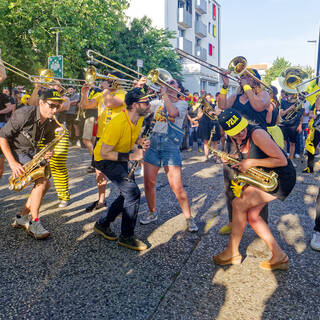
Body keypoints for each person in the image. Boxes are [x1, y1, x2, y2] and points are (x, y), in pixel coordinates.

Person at [213, 109, 296, 270]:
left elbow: (281, 160)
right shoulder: (236, 139)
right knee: (252, 216)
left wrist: (250, 163)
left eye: (242, 128)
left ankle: (232, 252)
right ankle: (279, 256)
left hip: (280, 178)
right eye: (236, 133)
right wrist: (231, 160)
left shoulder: (257, 134)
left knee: (238, 204)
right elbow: (243, 159)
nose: (241, 134)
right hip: (265, 176)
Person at [0, 89, 64, 239]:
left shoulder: (50, 120)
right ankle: (34, 222)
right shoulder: (24, 114)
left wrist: (50, 151)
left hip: (31, 152)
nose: (54, 110)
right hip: (15, 150)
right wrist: (13, 163)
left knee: (45, 185)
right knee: (41, 182)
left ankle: (22, 217)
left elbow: (49, 142)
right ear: (41, 102)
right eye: (51, 106)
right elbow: (2, 137)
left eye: (58, 107)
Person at [93, 88, 152, 251]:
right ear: (135, 105)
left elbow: (132, 138)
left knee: (129, 193)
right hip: (104, 159)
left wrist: (140, 142)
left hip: (120, 154)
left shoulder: (139, 118)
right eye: (145, 103)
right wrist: (132, 157)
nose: (149, 105)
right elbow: (105, 153)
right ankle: (126, 236)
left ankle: (103, 224)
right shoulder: (117, 123)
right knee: (132, 193)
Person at [139, 79, 198, 232]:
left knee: (177, 186)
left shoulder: (182, 103)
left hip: (170, 145)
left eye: (173, 84)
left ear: (178, 88)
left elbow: (173, 113)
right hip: (154, 143)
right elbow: (140, 109)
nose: (168, 85)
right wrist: (138, 90)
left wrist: (164, 95)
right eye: (167, 83)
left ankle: (188, 217)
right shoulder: (157, 102)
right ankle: (152, 212)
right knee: (148, 183)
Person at [217, 69, 270, 235]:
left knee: (258, 187)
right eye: (242, 77)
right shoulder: (236, 97)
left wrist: (248, 88)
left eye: (246, 77)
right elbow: (221, 106)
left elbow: (258, 105)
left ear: (255, 80)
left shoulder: (264, 95)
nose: (242, 79)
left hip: (257, 145)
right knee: (231, 185)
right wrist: (225, 86)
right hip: (234, 145)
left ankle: (261, 225)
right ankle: (233, 222)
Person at [80, 71, 127, 212]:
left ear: (115, 81)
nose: (104, 81)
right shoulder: (102, 94)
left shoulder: (122, 93)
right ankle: (101, 200)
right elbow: (85, 106)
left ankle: (122, 203)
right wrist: (84, 93)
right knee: (99, 170)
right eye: (105, 79)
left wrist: (105, 88)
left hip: (117, 140)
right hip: (101, 138)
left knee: (121, 173)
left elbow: (110, 103)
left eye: (108, 79)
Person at [279, 91, 303, 167]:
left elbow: (301, 115)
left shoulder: (298, 103)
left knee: (293, 143)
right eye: (288, 93)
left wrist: (300, 125)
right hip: (284, 125)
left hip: (294, 126)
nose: (289, 94)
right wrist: (289, 109)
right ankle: (284, 158)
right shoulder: (283, 102)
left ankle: (291, 159)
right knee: (283, 143)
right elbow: (281, 114)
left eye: (291, 93)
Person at [197, 93, 220, 161]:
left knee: (214, 142)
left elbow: (218, 113)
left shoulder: (214, 105)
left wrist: (213, 113)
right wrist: (203, 111)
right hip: (204, 125)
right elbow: (198, 116)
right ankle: (206, 157)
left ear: (211, 98)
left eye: (208, 98)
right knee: (205, 142)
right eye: (205, 98)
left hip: (213, 124)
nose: (207, 99)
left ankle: (217, 158)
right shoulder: (201, 107)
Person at [303, 94, 320, 173]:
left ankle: (310, 168)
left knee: (312, 147)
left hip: (318, 129)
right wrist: (314, 116)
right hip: (316, 129)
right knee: (311, 147)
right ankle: (310, 168)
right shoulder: (314, 104)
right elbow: (311, 114)